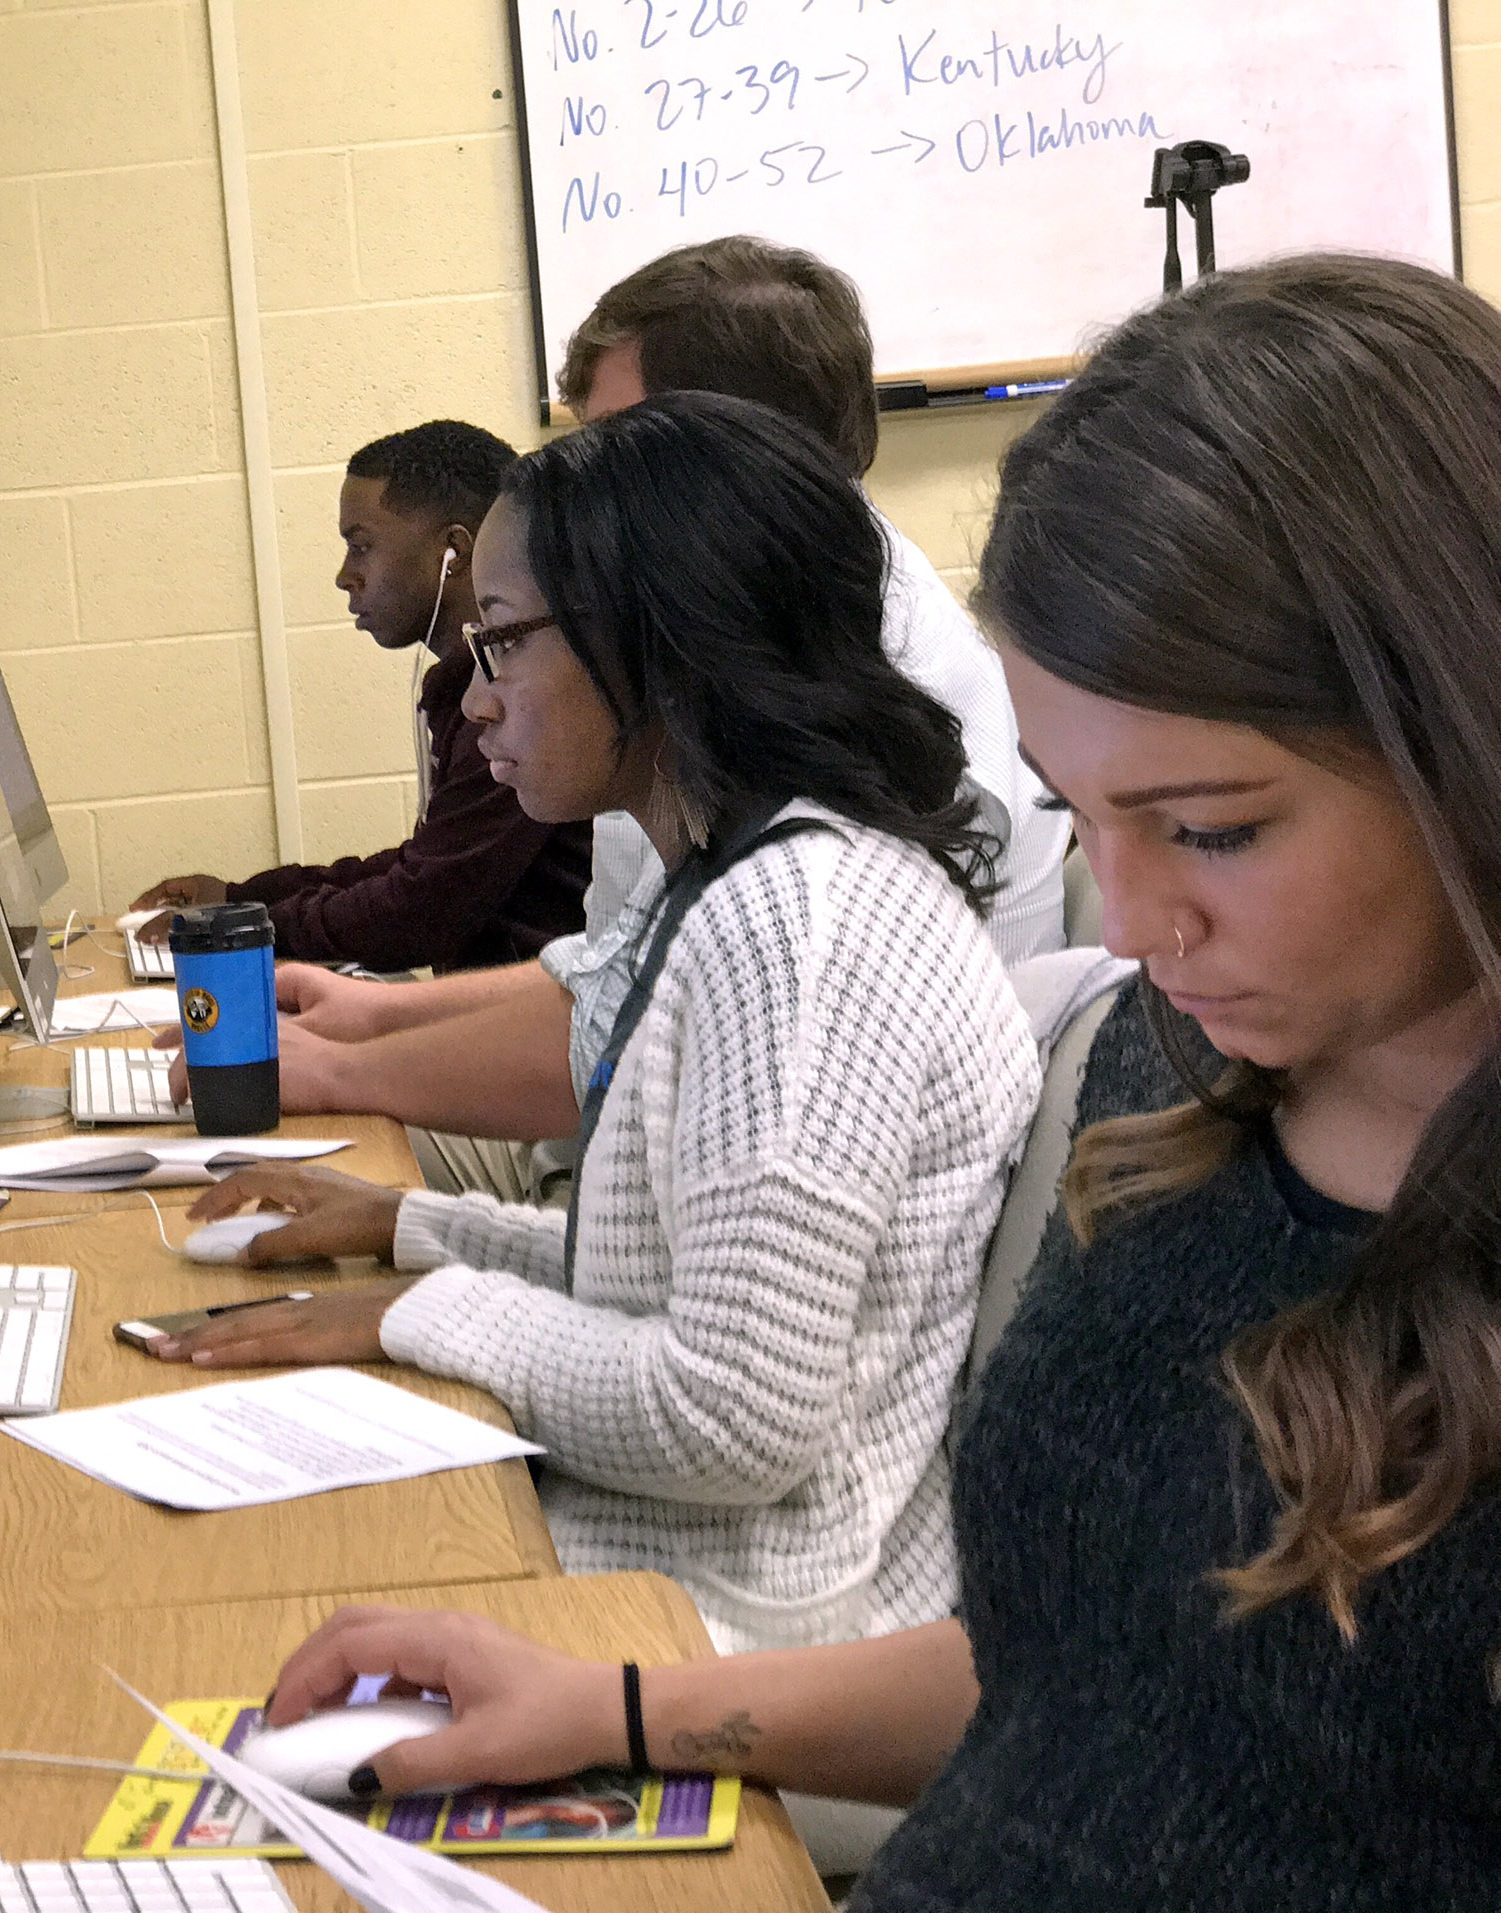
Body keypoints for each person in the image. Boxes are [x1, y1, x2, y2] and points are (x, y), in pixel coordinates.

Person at [246, 255, 1501, 1911]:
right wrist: (617, 1707)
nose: (1130, 920)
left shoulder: (818, 919)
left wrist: (414, 1287)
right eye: (1086, 812)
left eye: (1210, 827)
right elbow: (1075, 1669)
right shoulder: (1181, 1073)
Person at [148, 393, 1041, 1662]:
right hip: (674, 1558)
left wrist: (414, 1311)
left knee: (218, 1607)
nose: (476, 701)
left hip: (737, 1614)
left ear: (661, 642)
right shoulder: (742, 872)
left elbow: (733, 1415)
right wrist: (418, 1228)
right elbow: (667, 1283)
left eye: (506, 645)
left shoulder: (799, 927)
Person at [189, 239, 1068, 1205]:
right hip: (628, 1158)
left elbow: (720, 1319)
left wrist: (354, 1071)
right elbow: (626, 974)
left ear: (727, 457)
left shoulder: (850, 704)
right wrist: (366, 1021)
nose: (576, 488)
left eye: (616, 449)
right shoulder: (716, 659)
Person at [129, 420, 592, 973]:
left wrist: (250, 925)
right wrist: (242, 899)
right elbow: (421, 869)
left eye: (361, 546)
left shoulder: (525, 702)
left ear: (453, 550)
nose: (345, 576)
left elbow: (419, 910)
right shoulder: (467, 691)